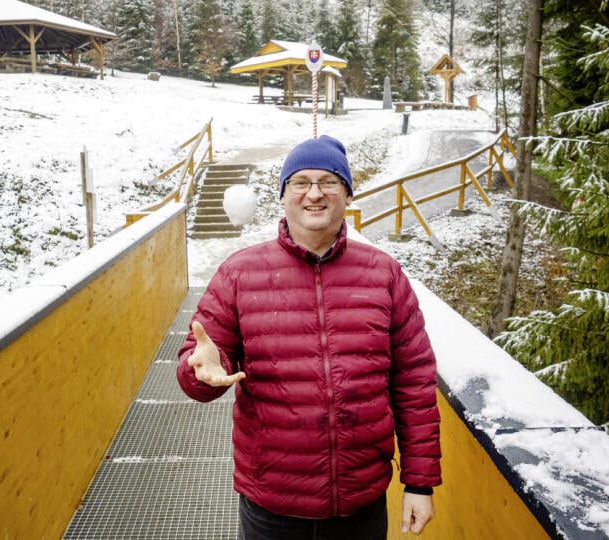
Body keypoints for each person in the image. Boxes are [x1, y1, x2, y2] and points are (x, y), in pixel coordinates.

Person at [176, 135, 441, 539]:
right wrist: (200, 372)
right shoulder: (239, 274)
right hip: (272, 503)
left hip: (361, 502)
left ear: (347, 195)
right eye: (300, 182)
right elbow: (200, 364)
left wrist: (419, 483)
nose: (314, 193)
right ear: (283, 197)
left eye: (329, 181)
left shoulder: (383, 274)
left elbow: (414, 383)